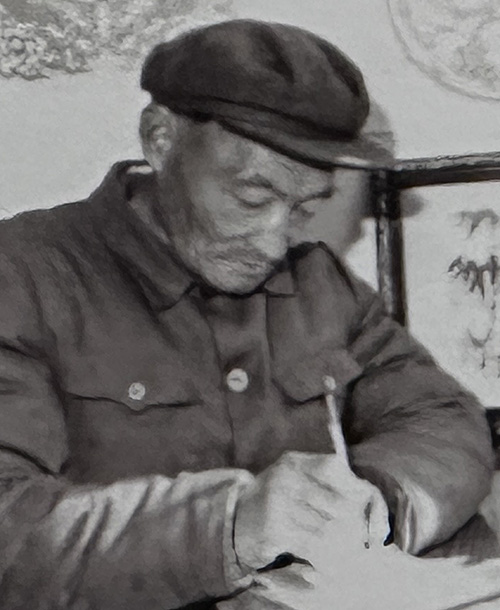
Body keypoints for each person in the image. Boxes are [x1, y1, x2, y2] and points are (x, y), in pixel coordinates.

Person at [0, 19, 494, 610]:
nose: (274, 242)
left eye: (305, 208)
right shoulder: (21, 276)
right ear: (160, 139)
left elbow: (442, 417)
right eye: (251, 198)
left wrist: (377, 502)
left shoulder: (318, 284)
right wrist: (227, 527)